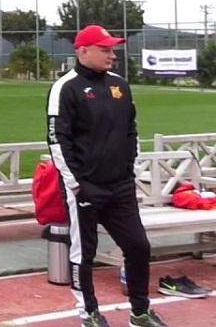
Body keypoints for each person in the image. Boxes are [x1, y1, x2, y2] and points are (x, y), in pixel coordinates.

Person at [47, 25, 166, 327]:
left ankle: (140, 312)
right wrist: (77, 184)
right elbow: (57, 140)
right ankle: (88, 313)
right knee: (84, 253)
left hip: (120, 186)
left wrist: (131, 171)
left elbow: (131, 130)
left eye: (113, 49)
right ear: (82, 50)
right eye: (105, 49)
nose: (112, 55)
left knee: (138, 247)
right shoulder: (66, 87)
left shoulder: (120, 85)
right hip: (84, 188)